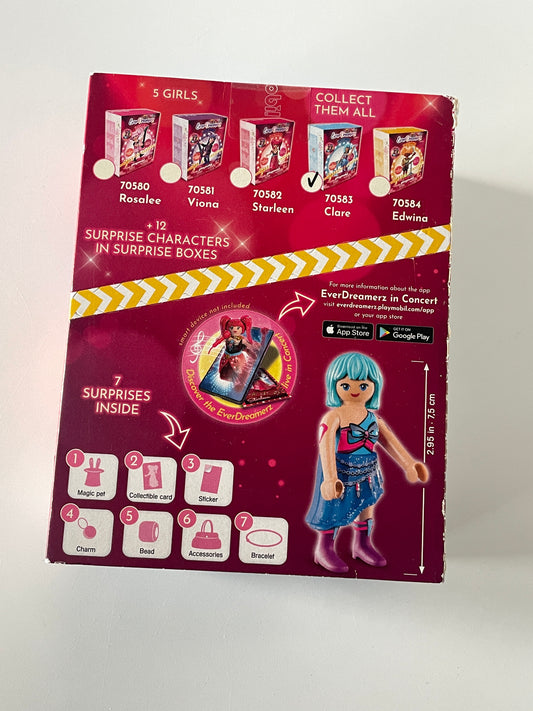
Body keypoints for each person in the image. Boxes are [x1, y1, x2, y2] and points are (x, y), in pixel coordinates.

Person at [305, 352, 428, 573]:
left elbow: (391, 443)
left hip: (369, 469)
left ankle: (362, 545)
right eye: (345, 384)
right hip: (340, 470)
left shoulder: (374, 419)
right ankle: (324, 549)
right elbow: (325, 447)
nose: (355, 389)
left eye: (363, 385)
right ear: (334, 385)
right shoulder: (333, 417)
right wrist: (330, 477)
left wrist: (409, 464)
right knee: (333, 508)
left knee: (367, 505)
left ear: (374, 387)